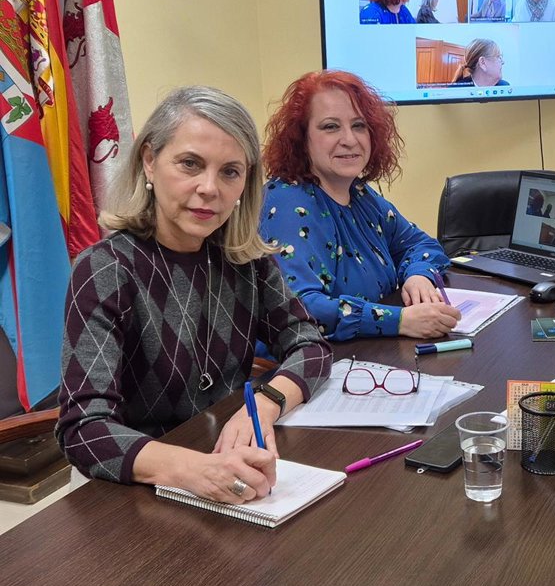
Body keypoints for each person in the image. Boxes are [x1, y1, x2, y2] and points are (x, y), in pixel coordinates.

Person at [57, 87, 332, 502]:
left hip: (228, 461)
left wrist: (265, 403)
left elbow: (311, 346)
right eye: (190, 164)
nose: (209, 188)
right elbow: (84, 429)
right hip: (134, 490)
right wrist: (195, 470)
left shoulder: (246, 260)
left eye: (230, 172)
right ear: (149, 161)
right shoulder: (105, 268)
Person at [260, 71, 460, 341]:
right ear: (301, 138)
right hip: (315, 359)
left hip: (372, 351)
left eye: (358, 125)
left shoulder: (360, 195)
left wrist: (419, 276)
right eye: (330, 127)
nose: (350, 139)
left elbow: (420, 244)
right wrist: (399, 321)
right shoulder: (287, 203)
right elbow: (301, 306)